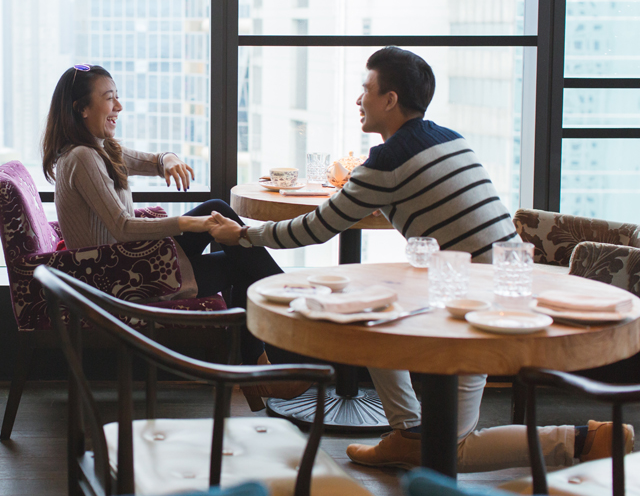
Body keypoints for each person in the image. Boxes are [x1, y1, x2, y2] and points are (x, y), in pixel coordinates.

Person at [207, 46, 633, 471]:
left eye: (366, 90)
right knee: (370, 318)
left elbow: (315, 228)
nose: (359, 100)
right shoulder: (449, 138)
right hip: (503, 283)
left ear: (390, 99)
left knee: (451, 449)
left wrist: (242, 234)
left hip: (478, 305)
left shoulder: (386, 162)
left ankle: (583, 440)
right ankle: (407, 432)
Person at [42, 63, 302, 409]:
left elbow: (151, 160)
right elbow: (122, 227)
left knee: (223, 221)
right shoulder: (83, 157)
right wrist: (187, 224)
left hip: (123, 261)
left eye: (117, 97)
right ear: (82, 108)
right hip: (112, 276)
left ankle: (264, 361)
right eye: (109, 98)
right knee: (228, 234)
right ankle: (280, 347)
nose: (119, 106)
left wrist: (168, 160)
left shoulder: (98, 149)